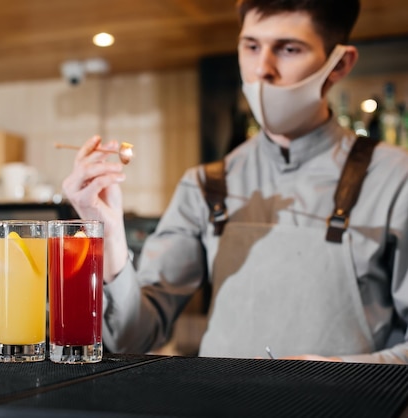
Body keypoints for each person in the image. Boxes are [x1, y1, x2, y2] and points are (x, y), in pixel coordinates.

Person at [61, 0, 408, 364]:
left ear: (339, 64)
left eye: (289, 49)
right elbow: (132, 336)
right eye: (251, 46)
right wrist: (109, 235)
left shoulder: (394, 179)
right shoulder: (206, 185)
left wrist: (334, 374)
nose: (262, 69)